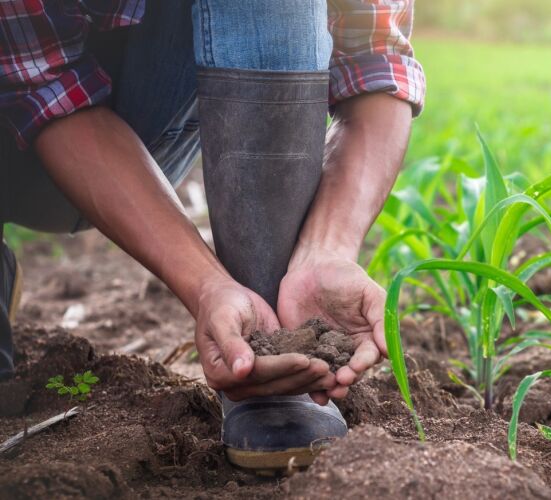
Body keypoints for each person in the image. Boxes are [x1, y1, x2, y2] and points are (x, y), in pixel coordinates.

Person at [0, 0, 424, 472]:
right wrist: (203, 284)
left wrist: (326, 249)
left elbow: (378, 61)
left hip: (135, 124)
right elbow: (38, 84)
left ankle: (266, 330)